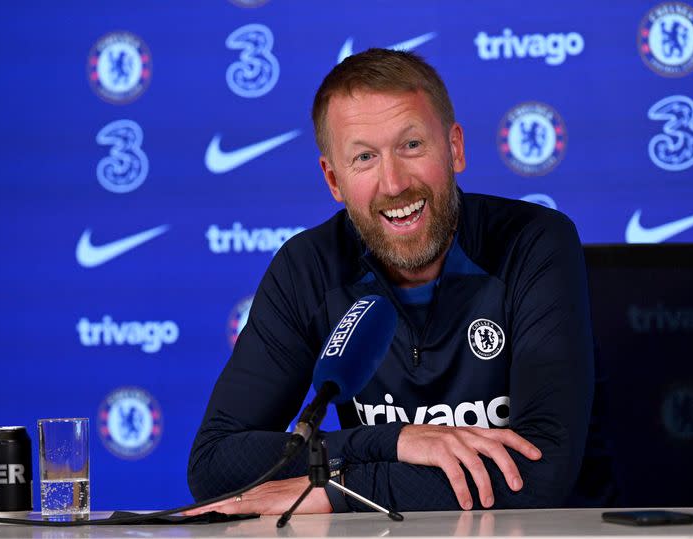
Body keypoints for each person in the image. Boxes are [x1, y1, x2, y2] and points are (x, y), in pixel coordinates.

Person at [186, 48, 594, 515]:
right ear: (334, 180)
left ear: (455, 148)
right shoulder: (308, 267)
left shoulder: (534, 242)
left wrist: (334, 490)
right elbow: (214, 463)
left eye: (412, 145)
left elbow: (540, 473)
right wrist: (394, 441)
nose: (394, 182)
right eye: (364, 157)